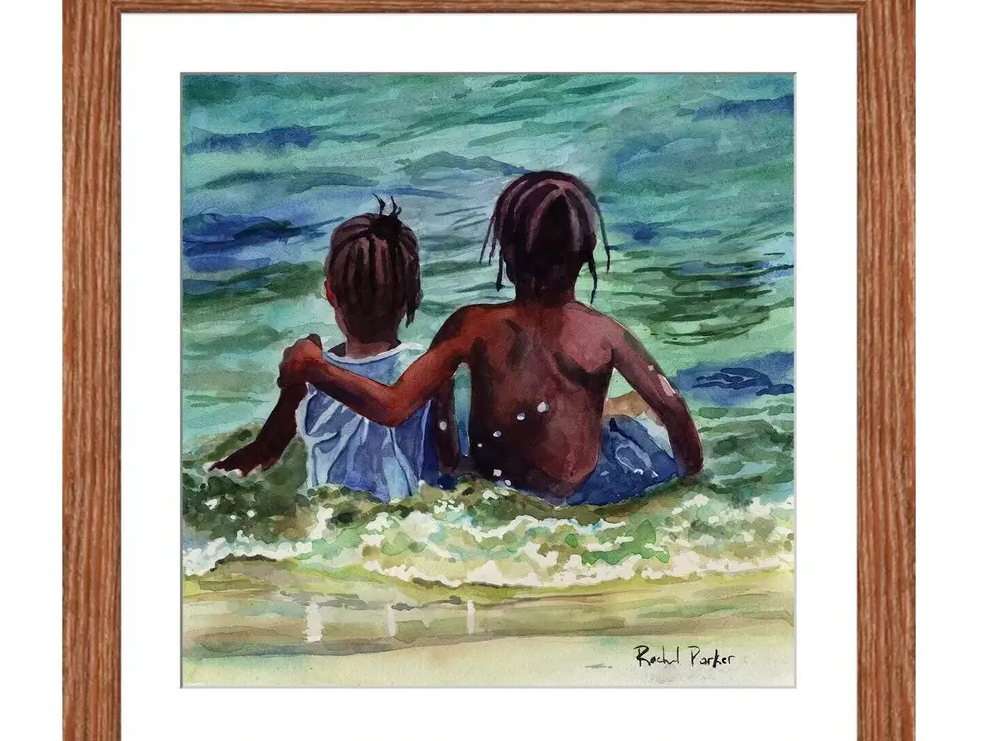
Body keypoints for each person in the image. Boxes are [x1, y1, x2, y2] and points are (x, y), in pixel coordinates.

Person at [278, 172, 702, 505]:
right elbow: (672, 408)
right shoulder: (605, 334)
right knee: (627, 427)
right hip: (584, 494)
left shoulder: (472, 326)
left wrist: (316, 368)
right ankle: (610, 413)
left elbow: (394, 407)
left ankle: (608, 411)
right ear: (586, 253)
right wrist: (691, 482)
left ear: (505, 251)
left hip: (501, 493)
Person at [212, 197, 459, 502]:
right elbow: (449, 465)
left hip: (325, 520)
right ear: (414, 294)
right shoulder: (426, 370)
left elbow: (263, 453)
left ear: (330, 292)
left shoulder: (310, 371)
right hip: (406, 523)